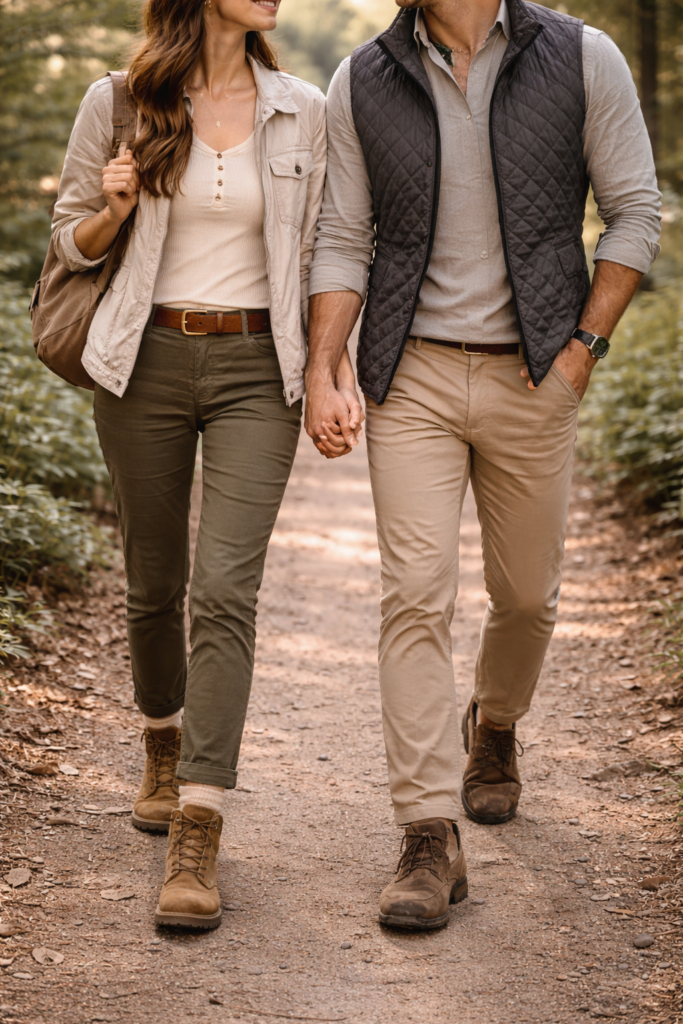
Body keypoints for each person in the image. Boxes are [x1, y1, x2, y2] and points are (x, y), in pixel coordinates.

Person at [305, 0, 661, 930]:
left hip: (536, 367)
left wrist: (584, 345)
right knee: (414, 593)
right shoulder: (363, 78)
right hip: (410, 372)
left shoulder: (583, 58)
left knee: (528, 596)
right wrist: (324, 363)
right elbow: (344, 235)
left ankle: (493, 724)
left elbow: (633, 213)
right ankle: (427, 836)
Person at [51, 0, 338, 931]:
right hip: (144, 359)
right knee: (152, 581)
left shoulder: (303, 108)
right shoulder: (120, 100)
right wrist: (113, 210)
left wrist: (332, 368)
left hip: (261, 366)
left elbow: (333, 244)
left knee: (223, 589)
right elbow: (68, 239)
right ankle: (161, 740)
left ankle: (200, 825)